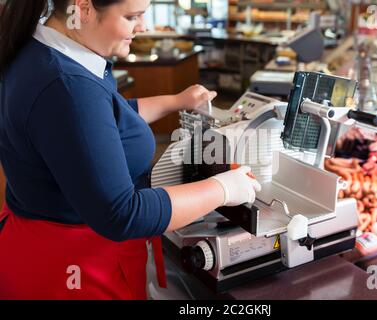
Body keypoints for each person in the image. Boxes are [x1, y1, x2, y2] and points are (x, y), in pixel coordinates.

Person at [0, 0, 261, 300]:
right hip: (73, 272)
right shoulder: (69, 87)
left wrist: (177, 101)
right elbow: (122, 213)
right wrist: (224, 188)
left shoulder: (44, 48)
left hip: (35, 248)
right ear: (83, 8)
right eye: (132, 16)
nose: (144, 27)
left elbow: (107, 118)